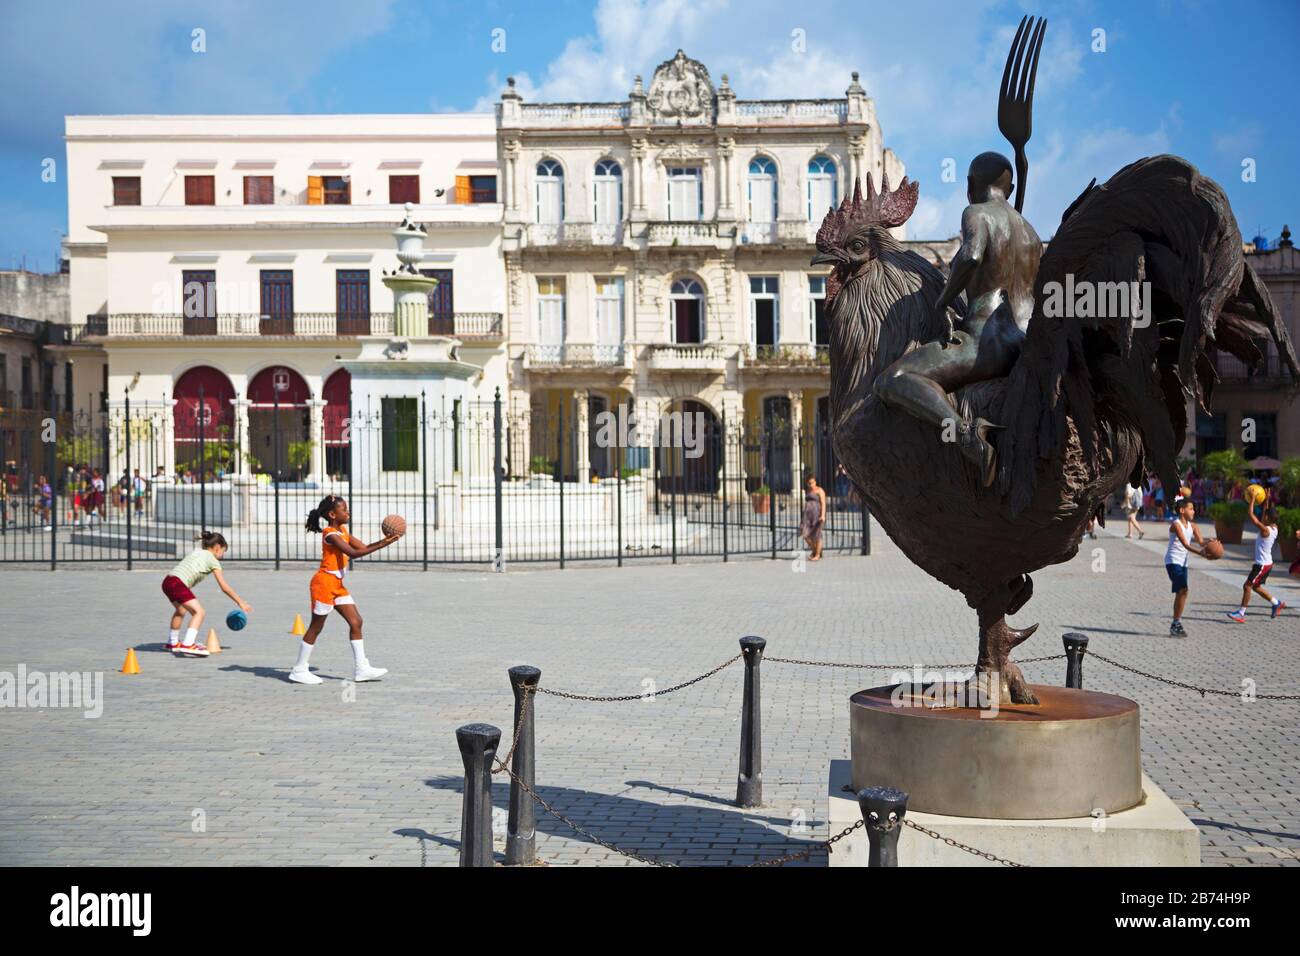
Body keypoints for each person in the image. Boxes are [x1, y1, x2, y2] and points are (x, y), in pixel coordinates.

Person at [870, 152, 1042, 486]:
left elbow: (971, 256)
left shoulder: (975, 213)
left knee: (893, 379)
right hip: (1024, 339)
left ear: (970, 185)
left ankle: (968, 437)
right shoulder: (1031, 233)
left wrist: (943, 301)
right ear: (1011, 187)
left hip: (987, 342)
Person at [289, 495, 402, 685]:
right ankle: (299, 669)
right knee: (316, 627)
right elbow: (354, 553)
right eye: (344, 509)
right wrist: (384, 543)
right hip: (323, 585)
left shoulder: (342, 530)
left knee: (356, 621)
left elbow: (363, 547)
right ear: (333, 514)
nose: (348, 512)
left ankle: (362, 668)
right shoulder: (330, 534)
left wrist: (387, 540)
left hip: (337, 585)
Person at [161, 530, 251, 657]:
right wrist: (240, 602)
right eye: (223, 552)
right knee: (199, 612)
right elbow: (224, 587)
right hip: (178, 583)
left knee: (181, 610)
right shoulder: (213, 561)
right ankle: (188, 644)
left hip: (168, 581)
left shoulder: (197, 552)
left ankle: (173, 642)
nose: (222, 556)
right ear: (217, 548)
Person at [1228, 506, 1286, 622]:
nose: (1262, 517)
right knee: (1255, 587)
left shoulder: (1265, 530)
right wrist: (1266, 500)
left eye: (1264, 515)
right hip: (1265, 564)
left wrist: (1253, 499)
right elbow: (1267, 514)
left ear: (1267, 517)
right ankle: (1276, 603)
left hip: (1262, 565)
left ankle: (1241, 613)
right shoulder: (1275, 527)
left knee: (1247, 586)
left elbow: (1252, 516)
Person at [1165, 496, 1206, 637]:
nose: (1193, 511)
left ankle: (1176, 622)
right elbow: (1185, 544)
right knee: (1183, 589)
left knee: (1183, 592)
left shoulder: (1193, 526)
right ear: (1182, 510)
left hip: (1183, 563)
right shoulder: (1176, 524)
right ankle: (1176, 623)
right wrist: (1202, 554)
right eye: (1191, 508)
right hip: (1173, 561)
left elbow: (1201, 542)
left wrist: (1211, 544)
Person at [799, 472, 828, 561]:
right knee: (805, 534)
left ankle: (817, 554)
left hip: (817, 515)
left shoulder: (820, 490)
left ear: (815, 482)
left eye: (812, 482)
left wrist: (822, 515)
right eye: (809, 483)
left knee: (817, 535)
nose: (811, 485)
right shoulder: (808, 491)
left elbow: (823, 504)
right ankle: (815, 550)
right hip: (807, 516)